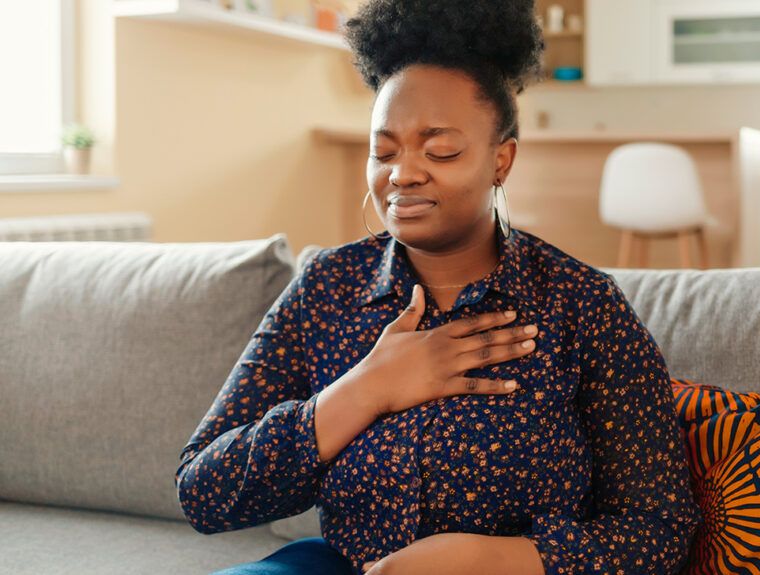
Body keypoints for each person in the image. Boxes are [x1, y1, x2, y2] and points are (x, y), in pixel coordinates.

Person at [175, 1, 702, 573]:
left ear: (502, 159)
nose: (402, 173)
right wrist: (367, 388)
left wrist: (490, 558)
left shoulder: (582, 306)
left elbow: (661, 531)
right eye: (384, 151)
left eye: (440, 149)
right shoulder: (325, 288)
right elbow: (203, 491)